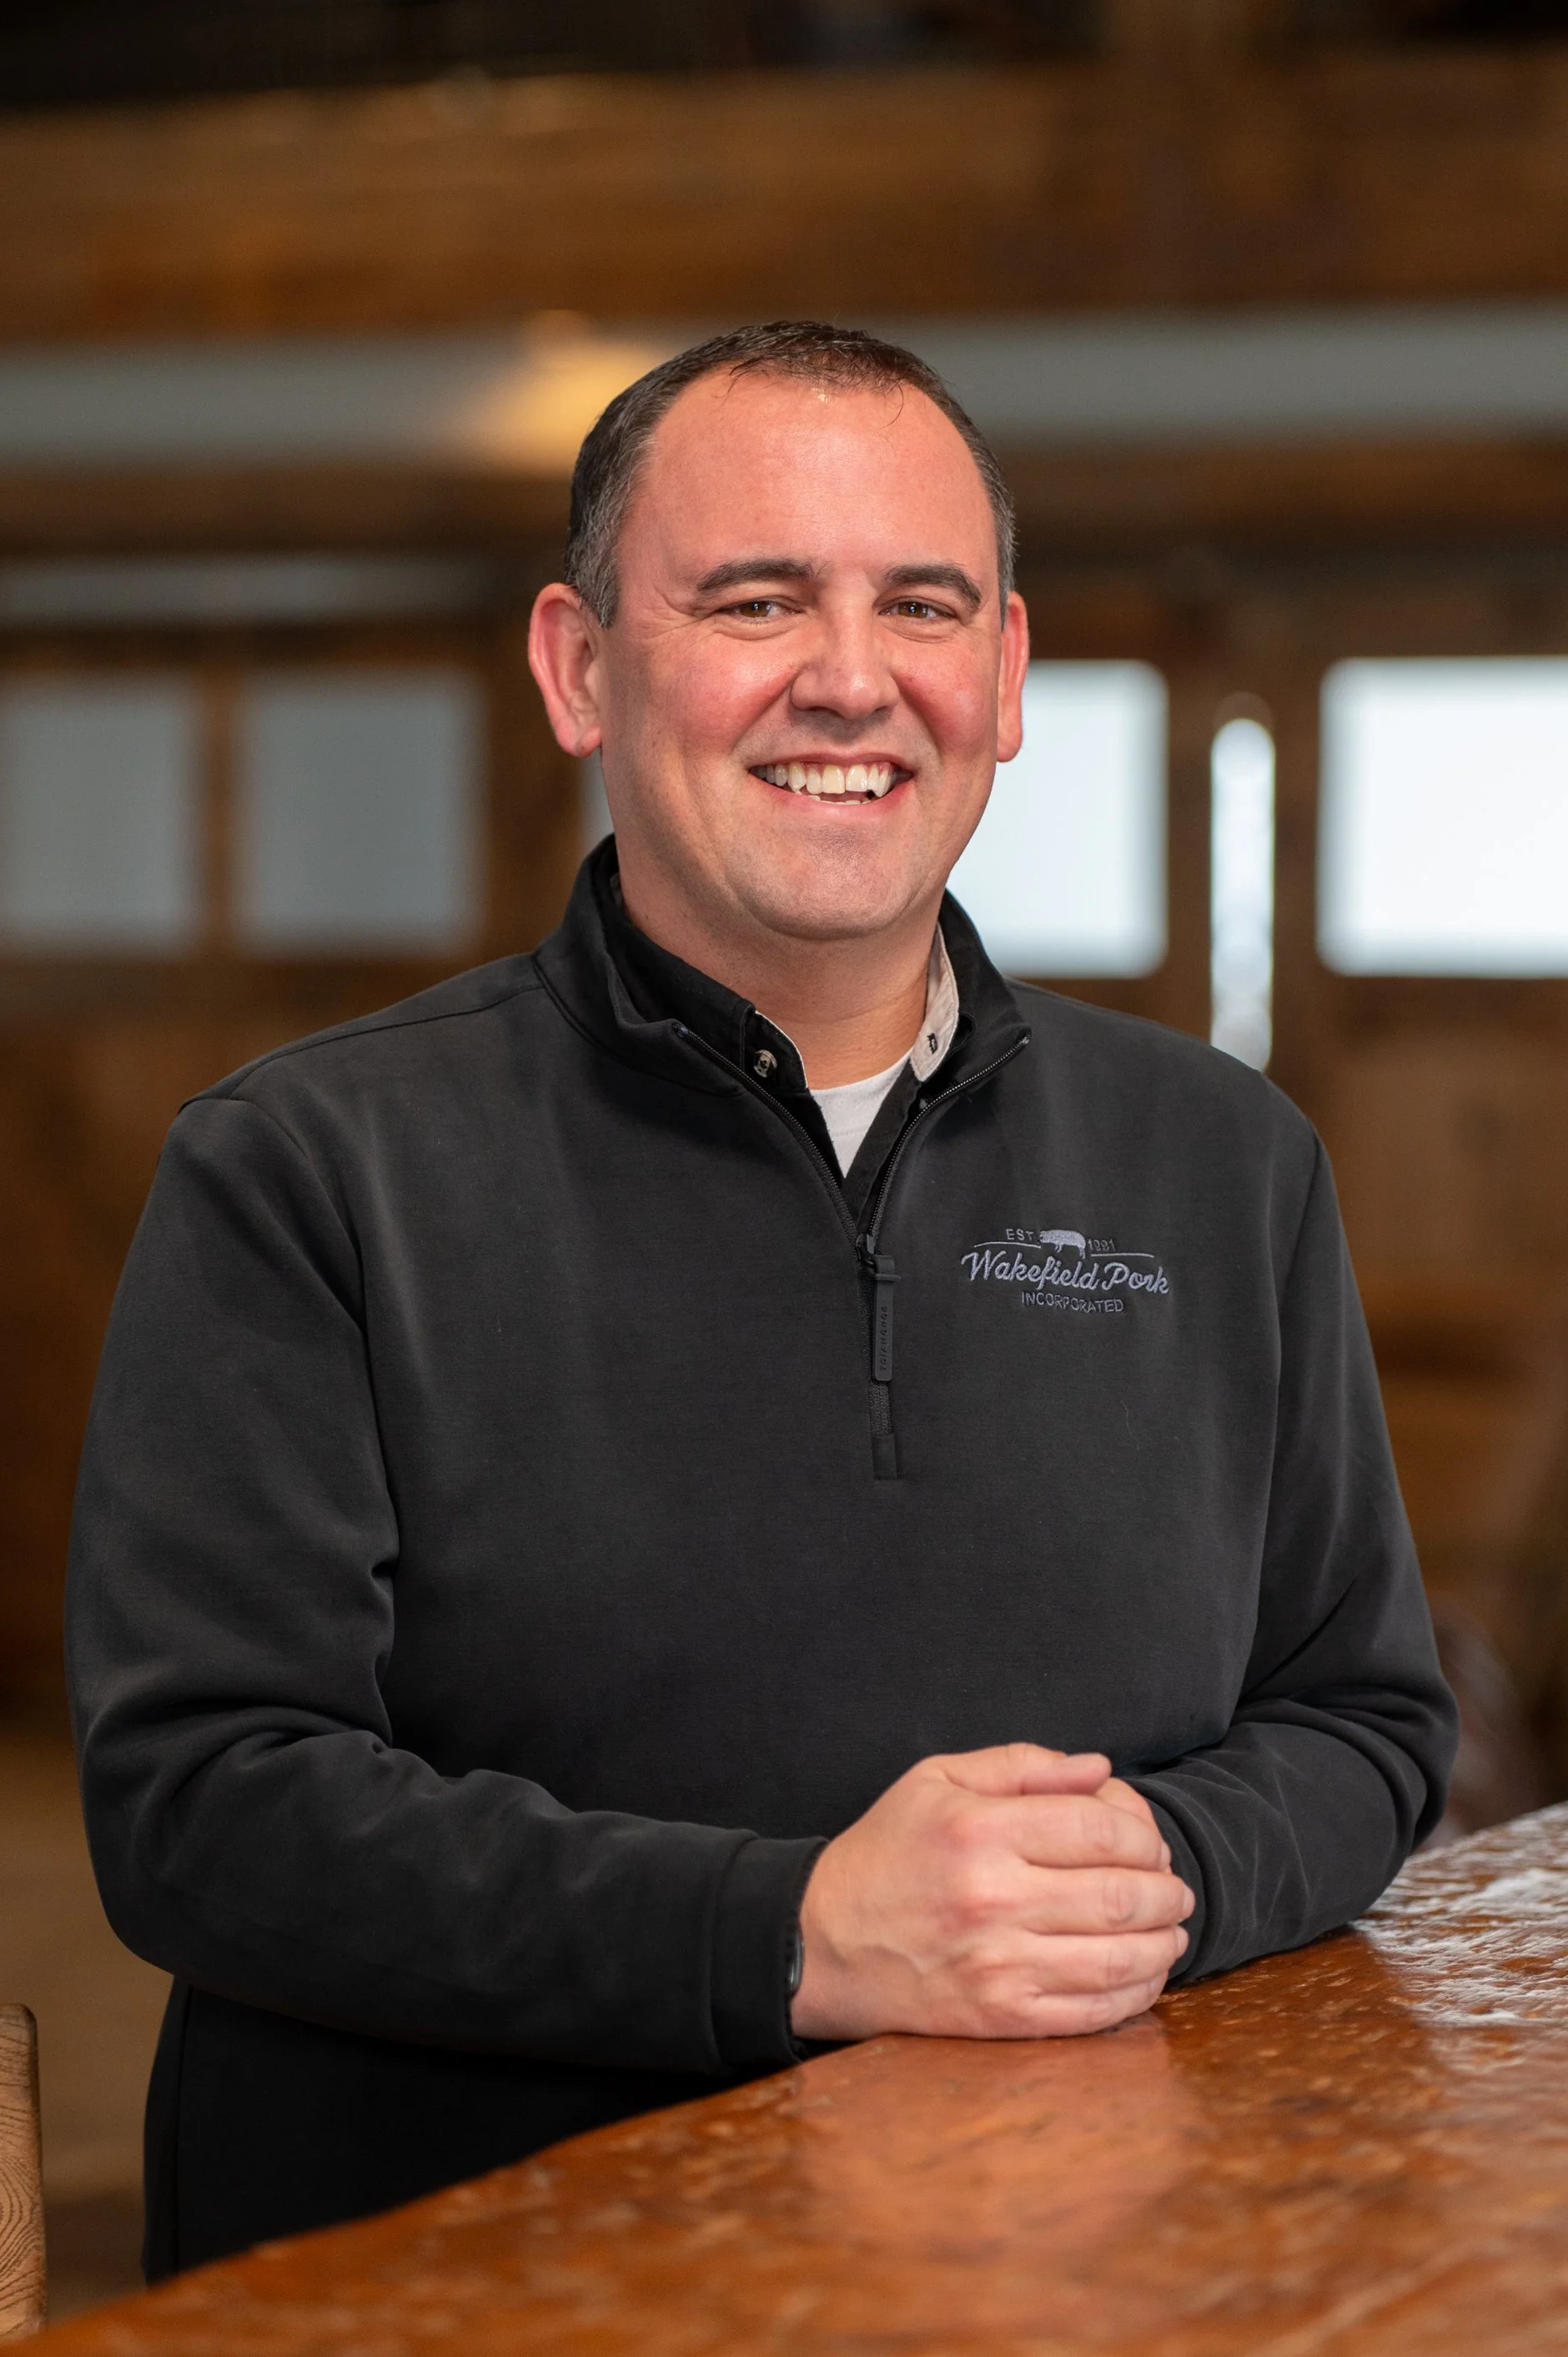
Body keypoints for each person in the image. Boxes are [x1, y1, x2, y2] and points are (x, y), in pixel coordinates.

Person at [66, 322, 1455, 2279]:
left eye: (923, 605)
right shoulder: (307, 1168)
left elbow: (1364, 1716)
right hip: (456, 2283)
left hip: (1081, 2255)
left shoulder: (1222, 1163)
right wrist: (795, 1931)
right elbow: (202, 1808)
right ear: (579, 666)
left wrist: (1144, 1875)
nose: (851, 679)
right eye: (754, 599)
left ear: (1006, 677)